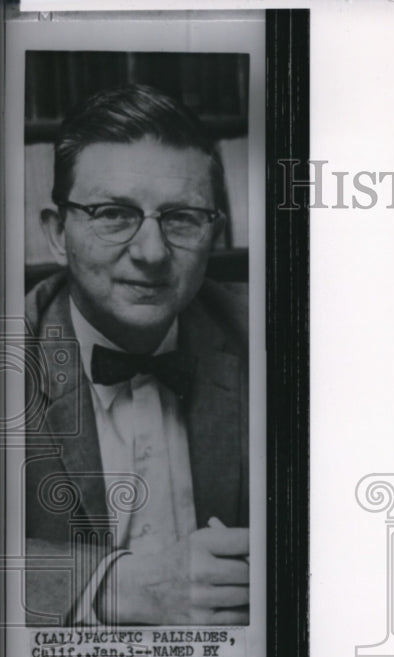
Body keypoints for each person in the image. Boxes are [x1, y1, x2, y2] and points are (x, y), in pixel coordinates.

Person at [24, 83, 249, 627]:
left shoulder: (269, 339)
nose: (151, 253)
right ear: (58, 235)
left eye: (182, 218)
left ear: (214, 233)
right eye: (113, 214)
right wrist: (112, 587)